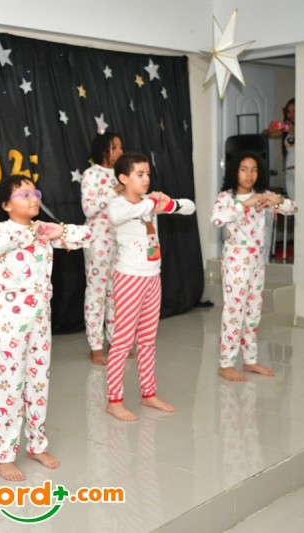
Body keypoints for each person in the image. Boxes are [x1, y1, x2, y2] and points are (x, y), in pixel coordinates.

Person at [0, 176, 91, 481]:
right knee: (10, 385)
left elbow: (88, 236)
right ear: (6, 205)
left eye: (35, 193)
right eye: (24, 194)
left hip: (41, 318)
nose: (33, 198)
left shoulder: (42, 230)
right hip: (10, 319)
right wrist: (30, 232)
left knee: (38, 383)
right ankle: (3, 455)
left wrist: (60, 231)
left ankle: (36, 444)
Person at [105, 152, 196, 421]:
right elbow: (119, 215)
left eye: (147, 174)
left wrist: (168, 203)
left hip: (153, 277)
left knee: (147, 340)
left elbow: (189, 207)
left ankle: (149, 393)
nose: (146, 179)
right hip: (129, 278)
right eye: (139, 174)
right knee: (122, 341)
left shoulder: (149, 203)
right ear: (124, 178)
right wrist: (152, 204)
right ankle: (114, 401)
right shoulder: (119, 205)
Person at [211, 152, 298, 382]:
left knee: (253, 312)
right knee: (233, 313)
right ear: (235, 172)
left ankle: (250, 360)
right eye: (244, 169)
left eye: (254, 170)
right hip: (235, 264)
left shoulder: (262, 196)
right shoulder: (226, 197)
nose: (249, 174)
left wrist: (277, 201)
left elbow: (293, 208)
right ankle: (226, 364)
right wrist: (244, 204)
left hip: (257, 264)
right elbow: (217, 219)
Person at [81, 132, 124, 365]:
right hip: (98, 240)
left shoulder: (122, 174)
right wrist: (113, 191)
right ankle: (95, 345)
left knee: (116, 293)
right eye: (114, 147)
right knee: (96, 292)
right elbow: (88, 209)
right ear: (103, 149)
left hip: (120, 240)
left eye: (120, 147)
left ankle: (115, 341)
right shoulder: (91, 174)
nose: (119, 151)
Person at [262, 98, 296, 199]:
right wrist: (271, 129)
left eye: (294, 111)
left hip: (301, 170)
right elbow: (265, 133)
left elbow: (292, 129)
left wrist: (283, 126)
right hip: (289, 171)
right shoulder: (287, 130)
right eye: (288, 112)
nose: (291, 114)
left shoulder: (302, 127)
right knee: (293, 203)